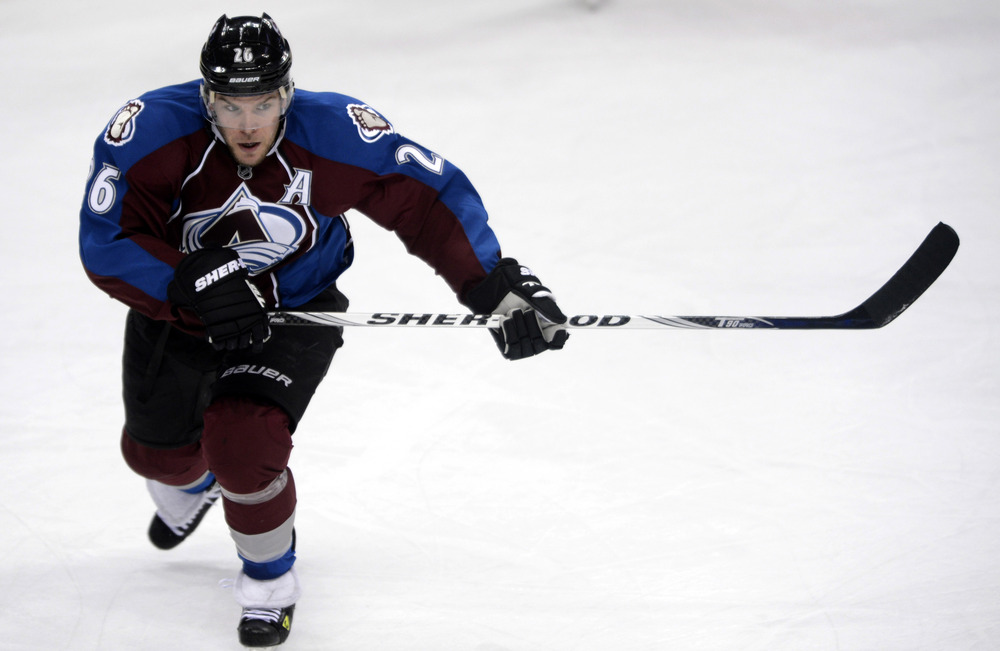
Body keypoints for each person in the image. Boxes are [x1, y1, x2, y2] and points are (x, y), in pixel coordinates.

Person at [79, 13, 568, 648]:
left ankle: (269, 583)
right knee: (156, 459)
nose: (248, 124)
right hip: (183, 313)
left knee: (243, 444)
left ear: (287, 93)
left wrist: (492, 285)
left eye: (264, 103)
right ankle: (196, 481)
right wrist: (186, 284)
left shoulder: (334, 131)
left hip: (294, 312)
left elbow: (423, 196)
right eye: (230, 105)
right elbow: (107, 239)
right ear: (207, 98)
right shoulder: (148, 134)